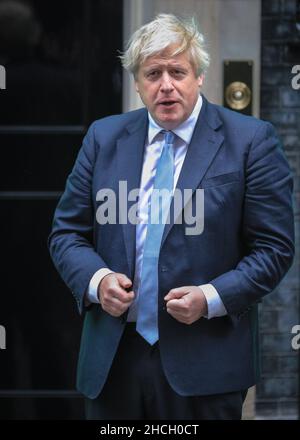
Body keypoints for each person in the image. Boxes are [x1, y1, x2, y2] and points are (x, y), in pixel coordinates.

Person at [48, 14, 294, 420]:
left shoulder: (251, 141)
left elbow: (274, 248)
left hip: (206, 363)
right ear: (138, 83)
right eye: (153, 73)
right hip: (114, 361)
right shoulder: (103, 137)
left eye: (177, 71)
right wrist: (97, 281)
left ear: (198, 76)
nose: (166, 85)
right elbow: (66, 234)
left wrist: (211, 298)